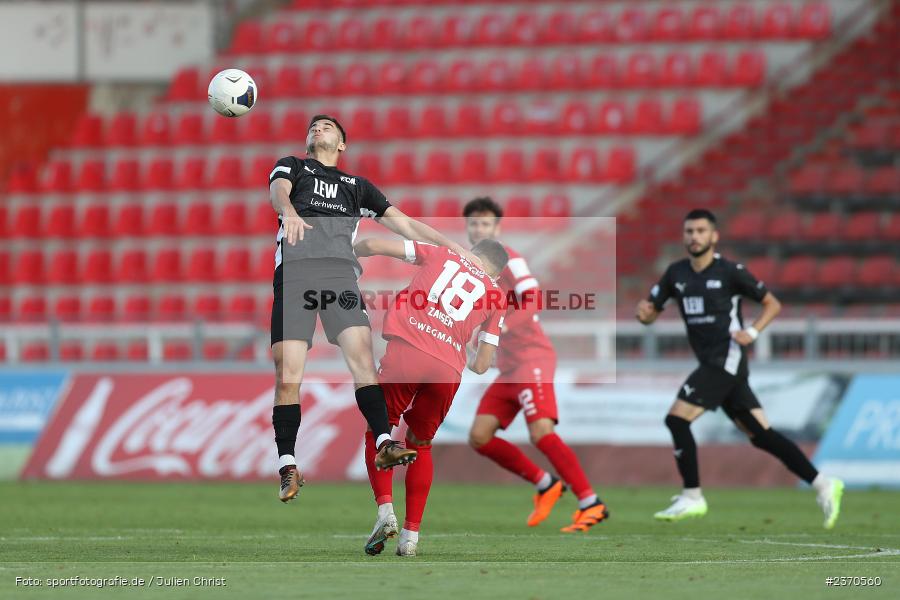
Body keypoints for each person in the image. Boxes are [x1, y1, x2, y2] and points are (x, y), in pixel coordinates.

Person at [268, 115, 484, 503]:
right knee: (288, 373)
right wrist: (290, 211)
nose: (318, 129)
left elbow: (407, 226)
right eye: (313, 126)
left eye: (327, 127)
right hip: (296, 275)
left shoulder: (357, 187)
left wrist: (459, 250)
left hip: (339, 278)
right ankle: (288, 466)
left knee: (363, 364)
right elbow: (278, 192)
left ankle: (385, 441)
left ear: (343, 144)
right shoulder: (294, 166)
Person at [636, 208, 844, 528]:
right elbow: (650, 313)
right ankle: (823, 484)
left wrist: (754, 332)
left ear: (714, 236)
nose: (694, 237)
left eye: (701, 231)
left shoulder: (731, 271)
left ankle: (692, 496)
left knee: (676, 420)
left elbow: (772, 303)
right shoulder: (675, 274)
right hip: (712, 363)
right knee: (762, 435)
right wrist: (644, 313)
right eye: (689, 231)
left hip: (726, 359)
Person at [354, 236, 509, 557]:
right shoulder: (497, 295)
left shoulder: (443, 253)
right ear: (496, 272)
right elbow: (482, 365)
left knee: (380, 427)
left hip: (407, 349)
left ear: (473, 253)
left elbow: (375, 244)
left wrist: (351, 248)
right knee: (420, 443)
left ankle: (385, 511)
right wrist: (457, 340)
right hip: (447, 369)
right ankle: (410, 537)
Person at [463, 197, 609, 533]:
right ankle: (546, 484)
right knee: (480, 436)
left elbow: (533, 298)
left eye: (485, 224)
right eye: (473, 223)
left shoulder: (509, 259)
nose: (478, 229)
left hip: (532, 357)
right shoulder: (469, 266)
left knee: (541, 432)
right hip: (508, 367)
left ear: (497, 228)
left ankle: (591, 503)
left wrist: (498, 329)